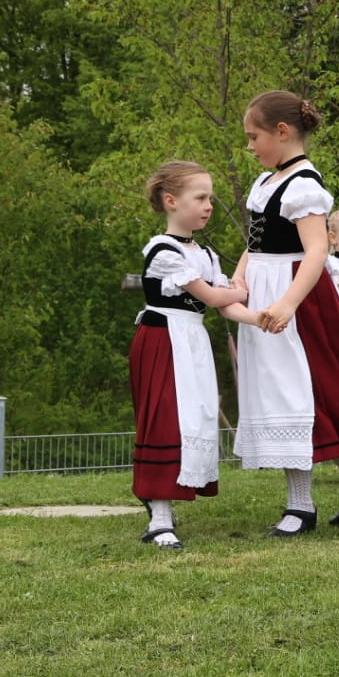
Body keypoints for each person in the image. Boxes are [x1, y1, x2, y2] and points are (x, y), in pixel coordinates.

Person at [232, 90, 339, 536]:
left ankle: (302, 506)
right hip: (268, 289)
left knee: (297, 393)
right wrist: (240, 278)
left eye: (254, 137)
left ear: (282, 133)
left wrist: (286, 303)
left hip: (297, 297)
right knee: (286, 393)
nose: (249, 146)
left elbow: (318, 249)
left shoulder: (303, 186)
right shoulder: (265, 183)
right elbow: (256, 244)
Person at [130, 160, 261, 550]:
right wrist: (239, 290)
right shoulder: (162, 251)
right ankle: (159, 516)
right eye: (200, 197)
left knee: (194, 417)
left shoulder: (204, 253)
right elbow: (217, 296)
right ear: (171, 201)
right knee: (166, 418)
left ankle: (164, 509)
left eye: (210, 198)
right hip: (162, 339)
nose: (208, 205)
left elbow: (227, 306)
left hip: (191, 340)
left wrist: (260, 318)